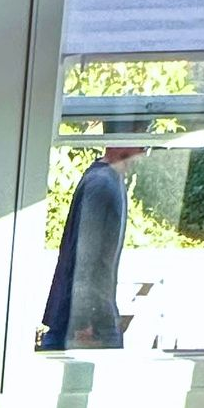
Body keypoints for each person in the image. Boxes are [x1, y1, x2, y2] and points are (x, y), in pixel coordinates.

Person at [41, 143, 144, 352]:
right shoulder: (102, 183)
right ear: (120, 142)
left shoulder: (104, 178)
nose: (143, 153)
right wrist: (83, 321)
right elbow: (84, 255)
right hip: (89, 320)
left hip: (88, 313)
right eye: (141, 145)